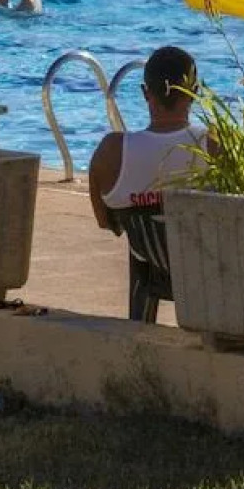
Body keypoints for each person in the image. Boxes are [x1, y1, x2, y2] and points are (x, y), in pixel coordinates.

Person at [85, 46, 205, 323]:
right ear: (195, 91)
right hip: (205, 268)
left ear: (144, 92)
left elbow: (105, 222)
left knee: (140, 246)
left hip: (151, 264)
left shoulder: (112, 152)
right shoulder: (213, 145)